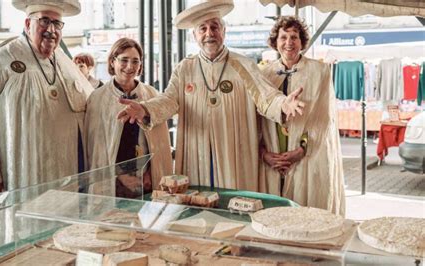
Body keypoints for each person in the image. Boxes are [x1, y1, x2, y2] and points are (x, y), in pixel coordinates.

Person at [117, 0, 304, 192]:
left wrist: (283, 104)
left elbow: (267, 96)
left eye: (214, 27)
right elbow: (169, 100)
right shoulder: (185, 68)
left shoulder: (244, 65)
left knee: (236, 208)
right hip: (196, 152)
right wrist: (145, 109)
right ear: (194, 35)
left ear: (224, 31)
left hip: (235, 154)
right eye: (202, 29)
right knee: (198, 207)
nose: (209, 33)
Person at [0, 0, 93, 197]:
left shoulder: (65, 62)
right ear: (27, 24)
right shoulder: (3, 58)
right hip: (21, 179)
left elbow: (92, 105)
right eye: (44, 21)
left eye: (57, 24)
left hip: (67, 180)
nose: (51, 29)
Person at [258, 16, 345, 215]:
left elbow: (324, 118)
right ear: (275, 42)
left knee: (305, 212)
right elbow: (257, 118)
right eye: (283, 37)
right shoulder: (264, 73)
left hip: (306, 155)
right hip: (273, 155)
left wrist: (302, 150)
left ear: (302, 42)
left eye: (294, 37)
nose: (289, 43)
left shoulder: (320, 71)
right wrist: (265, 153)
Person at [85, 38, 172, 197]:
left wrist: (152, 172)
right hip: (113, 184)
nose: (129, 66)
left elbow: (160, 143)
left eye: (135, 61)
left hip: (147, 181)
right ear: (112, 62)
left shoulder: (151, 94)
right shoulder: (97, 99)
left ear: (140, 65)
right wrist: (121, 176)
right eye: (124, 60)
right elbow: (97, 148)